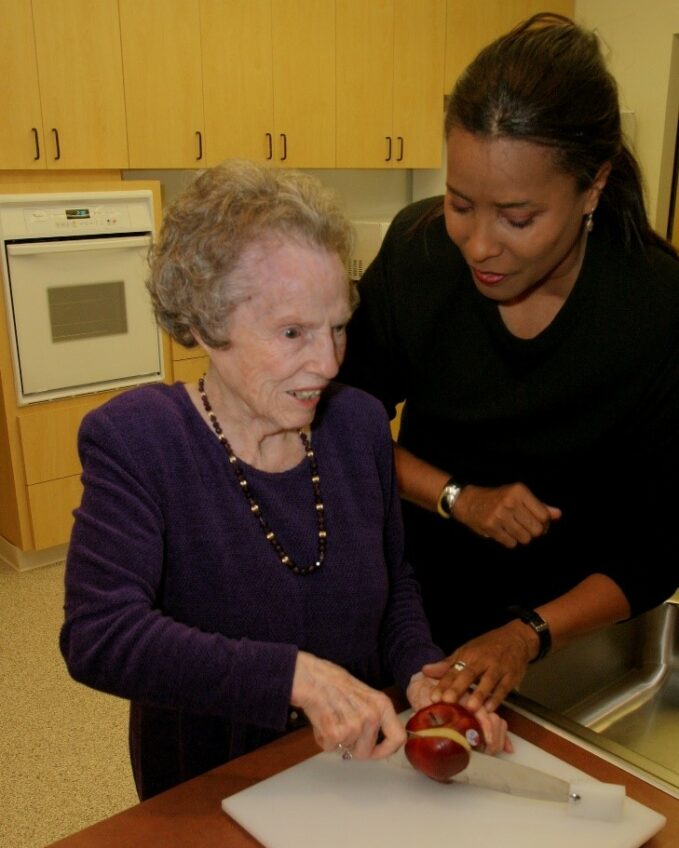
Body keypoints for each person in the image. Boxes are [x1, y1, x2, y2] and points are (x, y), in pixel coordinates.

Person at [59, 161, 508, 799]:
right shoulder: (139, 441)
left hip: (356, 766)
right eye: (293, 332)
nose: (325, 364)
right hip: (214, 784)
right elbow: (99, 635)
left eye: (338, 328)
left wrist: (419, 674)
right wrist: (294, 678)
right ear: (205, 324)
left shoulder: (356, 424)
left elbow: (393, 581)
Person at [341, 13, 679, 716]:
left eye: (517, 218)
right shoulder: (420, 253)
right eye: (461, 203)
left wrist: (527, 634)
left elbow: (657, 546)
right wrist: (457, 497)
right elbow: (343, 421)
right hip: (409, 612)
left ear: (592, 187)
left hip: (565, 638)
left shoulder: (653, 307)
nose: (478, 245)